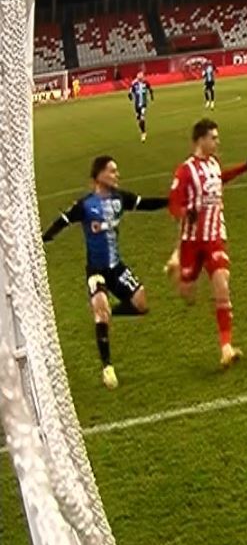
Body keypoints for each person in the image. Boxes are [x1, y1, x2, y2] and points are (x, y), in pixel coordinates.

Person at [41, 155, 169, 389]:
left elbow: (146, 204)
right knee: (100, 310)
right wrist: (44, 239)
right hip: (96, 270)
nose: (117, 175)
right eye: (112, 171)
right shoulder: (86, 205)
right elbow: (63, 220)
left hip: (116, 267)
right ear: (99, 175)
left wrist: (170, 202)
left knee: (141, 304)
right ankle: (107, 367)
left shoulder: (121, 199)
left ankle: (111, 312)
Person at [166, 119, 247, 369]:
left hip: (215, 237)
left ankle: (226, 348)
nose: (217, 142)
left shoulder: (214, 165)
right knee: (187, 293)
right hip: (191, 242)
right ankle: (178, 269)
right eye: (214, 138)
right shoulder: (185, 171)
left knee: (222, 285)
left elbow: (223, 177)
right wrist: (187, 212)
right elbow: (174, 204)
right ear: (200, 140)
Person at [127, 72, 153, 142]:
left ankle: (143, 133)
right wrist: (130, 96)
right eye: (139, 78)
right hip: (137, 104)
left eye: (141, 78)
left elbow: (150, 89)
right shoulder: (134, 84)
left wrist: (151, 96)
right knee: (138, 119)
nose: (140, 79)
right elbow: (130, 92)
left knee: (142, 117)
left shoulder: (146, 82)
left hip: (144, 104)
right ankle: (142, 130)